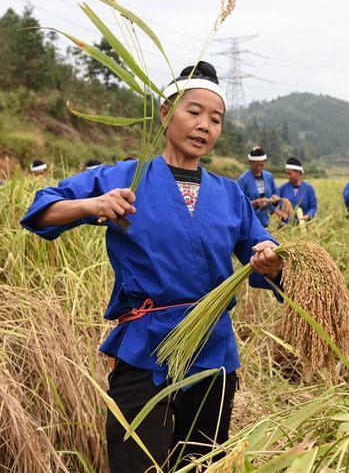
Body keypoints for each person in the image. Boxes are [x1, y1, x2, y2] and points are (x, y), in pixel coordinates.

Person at [21, 61, 284, 471]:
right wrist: (94, 204)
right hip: (146, 343)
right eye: (193, 112)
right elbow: (42, 209)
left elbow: (265, 250)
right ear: (165, 113)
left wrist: (269, 261)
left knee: (201, 462)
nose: (204, 126)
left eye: (215, 119)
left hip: (212, 349)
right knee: (135, 461)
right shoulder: (126, 177)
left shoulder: (229, 194)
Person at [237, 146, 279, 228]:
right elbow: (239, 201)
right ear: (250, 163)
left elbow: (276, 192)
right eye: (256, 165)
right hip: (251, 220)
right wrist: (255, 203)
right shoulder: (243, 179)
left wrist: (275, 198)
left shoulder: (269, 176)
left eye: (261, 165)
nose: (259, 168)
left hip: (267, 219)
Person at [277, 157, 318, 223]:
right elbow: (273, 204)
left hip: (303, 226)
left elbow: (313, 207)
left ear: (298, 172)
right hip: (285, 227)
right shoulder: (283, 188)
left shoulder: (308, 189)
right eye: (286, 174)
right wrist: (279, 213)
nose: (288, 176)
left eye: (290, 174)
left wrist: (308, 215)